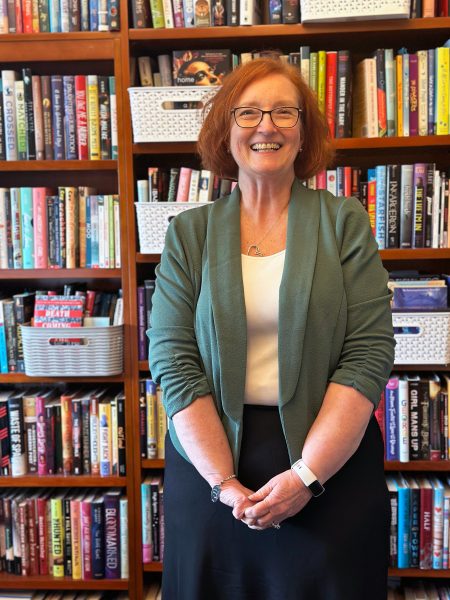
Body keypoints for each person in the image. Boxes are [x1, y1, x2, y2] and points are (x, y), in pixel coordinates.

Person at [148, 57, 395, 600]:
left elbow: (369, 353)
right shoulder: (189, 233)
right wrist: (223, 483)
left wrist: (307, 477)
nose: (268, 125)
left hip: (329, 463)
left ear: (303, 131)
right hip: (211, 468)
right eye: (250, 112)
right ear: (224, 129)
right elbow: (172, 357)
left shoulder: (343, 220)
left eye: (286, 112)